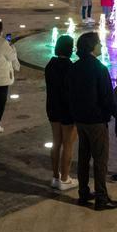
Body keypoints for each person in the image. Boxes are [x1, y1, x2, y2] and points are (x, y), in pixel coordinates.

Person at [68, 32, 117, 211]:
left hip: (80, 120)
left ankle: (83, 193)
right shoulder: (99, 69)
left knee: (83, 157)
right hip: (96, 121)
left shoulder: (74, 67)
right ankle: (101, 199)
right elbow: (108, 99)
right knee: (100, 159)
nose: (102, 46)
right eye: (99, 44)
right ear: (92, 47)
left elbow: (69, 93)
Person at [45, 35, 77, 190]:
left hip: (52, 107)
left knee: (56, 142)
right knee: (68, 143)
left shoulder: (50, 64)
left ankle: (55, 176)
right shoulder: (71, 67)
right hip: (67, 109)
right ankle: (65, 178)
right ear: (70, 49)